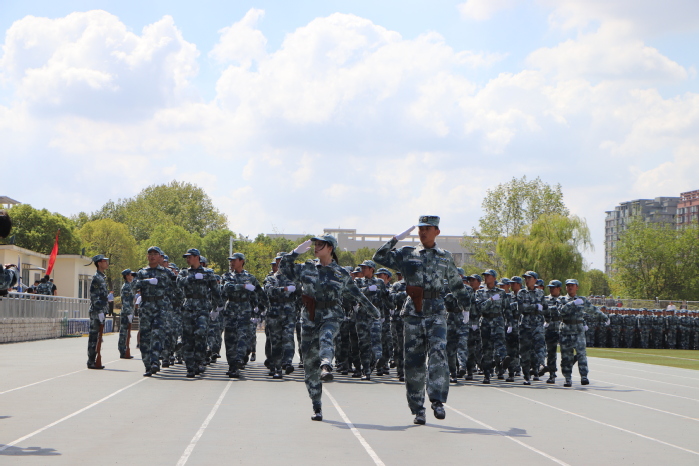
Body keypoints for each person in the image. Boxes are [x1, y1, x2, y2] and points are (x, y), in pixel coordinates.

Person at [373, 216, 472, 425]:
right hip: (414, 312)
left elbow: (456, 283)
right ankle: (418, 408)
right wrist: (395, 239)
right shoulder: (407, 253)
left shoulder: (445, 256)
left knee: (438, 352)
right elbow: (379, 257)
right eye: (420, 229)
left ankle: (437, 399)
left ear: (437, 231)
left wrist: (466, 307)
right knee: (414, 362)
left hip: (436, 310)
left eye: (427, 228)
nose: (423, 232)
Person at [281, 234, 379, 421]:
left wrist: (373, 310)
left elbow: (356, 294)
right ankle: (317, 405)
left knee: (326, 336)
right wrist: (295, 252)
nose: (316, 247)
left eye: (320, 245)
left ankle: (326, 364)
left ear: (330, 248)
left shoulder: (340, 273)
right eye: (315, 244)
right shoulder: (307, 268)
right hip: (309, 318)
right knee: (310, 366)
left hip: (331, 314)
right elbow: (284, 268)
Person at [177, 248, 224, 378]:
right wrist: (192, 277)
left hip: (203, 307)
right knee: (188, 338)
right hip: (188, 307)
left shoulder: (208, 273)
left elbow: (215, 289)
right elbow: (179, 283)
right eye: (187, 257)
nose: (187, 259)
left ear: (197, 257)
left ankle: (199, 361)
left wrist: (219, 305)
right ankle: (190, 367)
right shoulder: (184, 272)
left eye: (190, 257)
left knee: (201, 333)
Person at [221, 252, 269, 377]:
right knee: (229, 339)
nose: (231, 263)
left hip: (245, 310)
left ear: (242, 261)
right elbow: (227, 288)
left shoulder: (250, 278)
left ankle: (239, 359)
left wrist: (263, 307)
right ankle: (232, 366)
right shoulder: (227, 276)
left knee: (242, 336)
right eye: (230, 261)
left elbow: (260, 293)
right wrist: (243, 286)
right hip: (231, 309)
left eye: (234, 260)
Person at [132, 246, 175, 377]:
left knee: (157, 334)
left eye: (155, 254)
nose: (152, 256)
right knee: (145, 337)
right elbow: (133, 286)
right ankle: (148, 365)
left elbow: (176, 287)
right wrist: (146, 282)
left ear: (160, 256)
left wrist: (172, 304)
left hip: (160, 307)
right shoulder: (142, 273)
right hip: (146, 307)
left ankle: (155, 361)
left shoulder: (166, 272)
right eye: (150, 254)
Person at [558, 279, 609, 387]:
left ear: (577, 287)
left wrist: (604, 317)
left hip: (578, 331)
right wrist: (572, 303)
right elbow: (560, 311)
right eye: (568, 285)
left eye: (572, 285)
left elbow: (593, 309)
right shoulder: (562, 299)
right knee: (566, 356)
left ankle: (584, 376)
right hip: (566, 331)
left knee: (581, 354)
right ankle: (567, 378)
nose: (570, 287)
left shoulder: (582, 300)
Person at [86, 255, 109, 369]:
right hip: (96, 311)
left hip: (101, 310)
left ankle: (95, 359)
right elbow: (94, 296)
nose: (107, 263)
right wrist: (99, 311)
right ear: (99, 263)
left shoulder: (102, 277)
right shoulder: (96, 278)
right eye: (105, 261)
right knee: (94, 337)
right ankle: (91, 360)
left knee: (98, 337)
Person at [118, 270, 136, 358]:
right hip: (126, 313)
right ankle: (123, 351)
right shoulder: (126, 287)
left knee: (126, 333)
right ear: (127, 276)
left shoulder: (130, 285)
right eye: (131, 274)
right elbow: (125, 301)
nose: (132, 276)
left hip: (129, 311)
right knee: (123, 333)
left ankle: (125, 350)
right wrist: (129, 313)